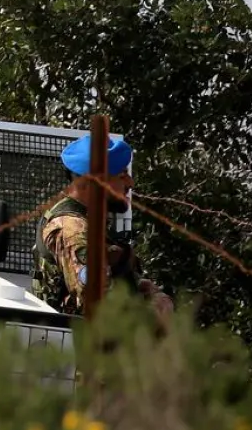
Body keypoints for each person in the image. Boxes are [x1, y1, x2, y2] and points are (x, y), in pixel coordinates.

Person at [32, 133, 175, 326]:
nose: (130, 184)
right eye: (122, 175)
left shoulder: (90, 220)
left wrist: (142, 286)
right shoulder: (72, 229)